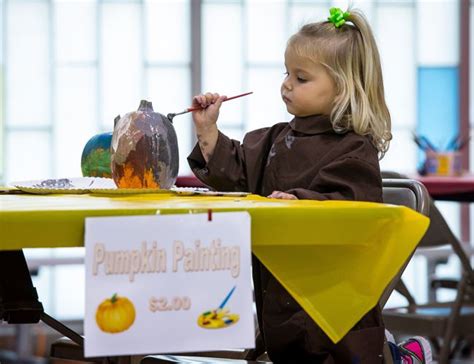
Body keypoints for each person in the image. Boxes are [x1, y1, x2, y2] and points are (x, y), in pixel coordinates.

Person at [187, 7, 429, 364]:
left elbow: (351, 210)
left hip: (332, 306)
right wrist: (208, 131)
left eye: (301, 78)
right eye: (288, 73)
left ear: (342, 88)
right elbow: (235, 171)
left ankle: (400, 357)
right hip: (281, 295)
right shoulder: (274, 140)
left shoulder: (354, 149)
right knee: (290, 346)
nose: (286, 84)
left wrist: (300, 201)